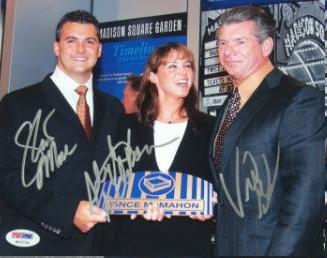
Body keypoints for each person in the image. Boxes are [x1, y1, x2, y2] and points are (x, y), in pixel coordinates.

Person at [0, 10, 123, 255]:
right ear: (56, 47)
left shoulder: (114, 108)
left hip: (99, 246)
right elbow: (7, 177)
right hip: (35, 243)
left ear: (99, 50)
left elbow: (120, 172)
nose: (81, 49)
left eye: (90, 41)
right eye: (71, 40)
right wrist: (67, 213)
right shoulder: (17, 104)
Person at [208, 5, 327, 256]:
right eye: (222, 43)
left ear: (266, 47)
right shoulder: (228, 107)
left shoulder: (298, 100)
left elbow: (305, 200)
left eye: (239, 41)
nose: (227, 51)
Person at [96, 43, 215, 256]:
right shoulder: (125, 127)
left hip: (190, 247)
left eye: (187, 65)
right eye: (172, 66)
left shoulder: (210, 128)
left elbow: (224, 188)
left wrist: (213, 207)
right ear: (152, 76)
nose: (183, 72)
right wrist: (132, 205)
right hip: (133, 246)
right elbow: (108, 184)